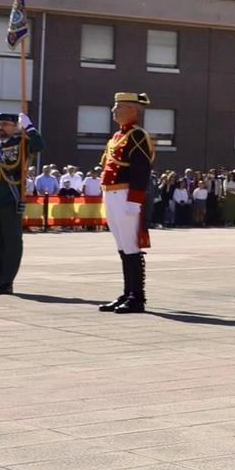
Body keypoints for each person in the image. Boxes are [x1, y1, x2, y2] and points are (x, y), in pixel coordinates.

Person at [97, 92, 156, 313]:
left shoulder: (137, 135)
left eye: (118, 107)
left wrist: (135, 200)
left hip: (125, 195)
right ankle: (126, 293)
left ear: (132, 109)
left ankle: (137, 297)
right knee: (122, 246)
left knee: (131, 246)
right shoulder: (116, 136)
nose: (114, 110)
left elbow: (141, 169)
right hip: (111, 193)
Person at [0, 111, 42, 293]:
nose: (0, 127)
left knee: (11, 242)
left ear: (14, 127)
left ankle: (6, 282)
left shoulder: (21, 143)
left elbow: (39, 145)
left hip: (10, 199)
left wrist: (30, 128)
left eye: (5, 124)